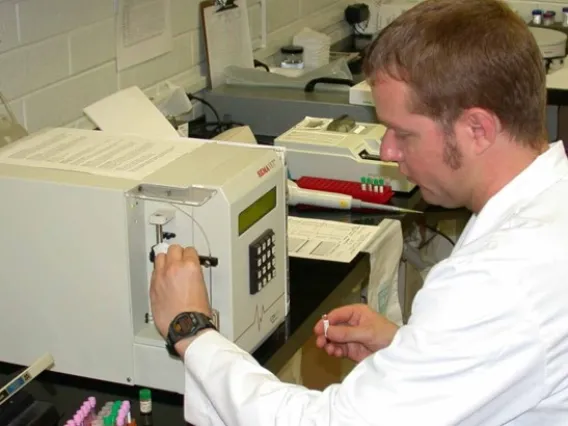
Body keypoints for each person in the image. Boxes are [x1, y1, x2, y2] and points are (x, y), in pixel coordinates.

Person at [150, 0, 568, 423]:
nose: (387, 151)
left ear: (477, 129)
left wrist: (192, 330)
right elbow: (511, 351)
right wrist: (409, 348)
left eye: (403, 133)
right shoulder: (550, 203)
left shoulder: (502, 280)